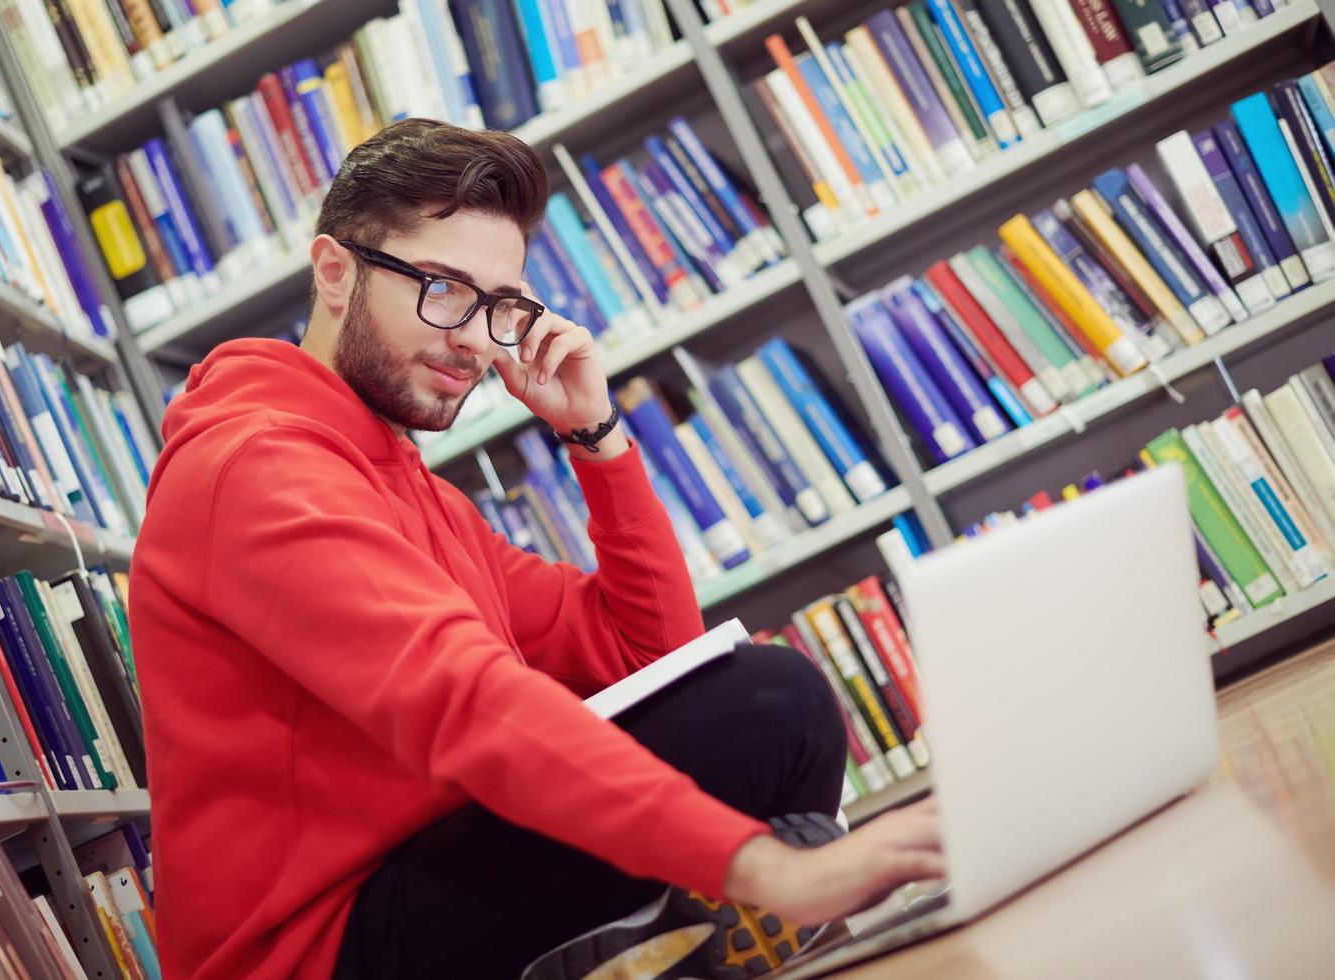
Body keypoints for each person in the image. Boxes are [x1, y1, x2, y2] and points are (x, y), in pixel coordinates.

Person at [130, 118, 943, 980]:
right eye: (443, 290)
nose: (478, 341)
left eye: (499, 305)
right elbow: (464, 698)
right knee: (769, 704)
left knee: (774, 708)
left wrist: (596, 439)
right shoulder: (252, 468)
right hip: (324, 949)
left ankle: (667, 943)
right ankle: (688, 932)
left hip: (425, 876)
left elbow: (650, 653)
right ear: (336, 272)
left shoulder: (410, 487)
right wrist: (769, 867)